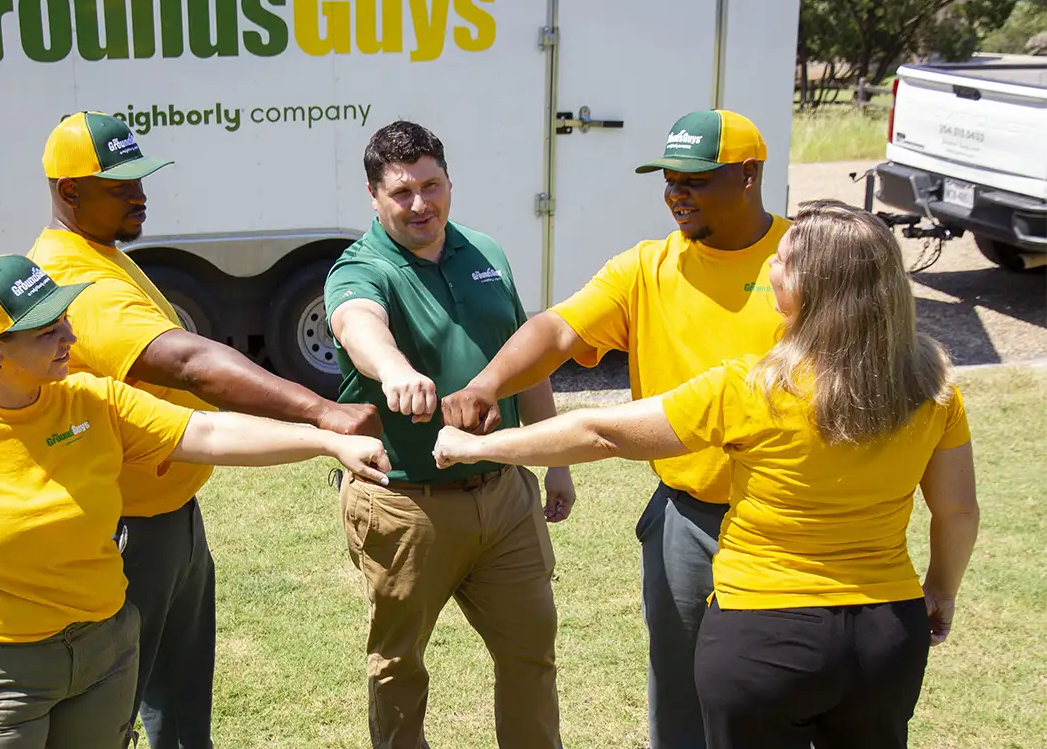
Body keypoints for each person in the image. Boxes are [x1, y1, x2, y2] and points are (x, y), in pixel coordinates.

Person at [434, 200, 980, 749]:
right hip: (888, 634)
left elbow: (600, 432)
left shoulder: (754, 388)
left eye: (783, 263)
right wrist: (941, 589)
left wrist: (477, 446)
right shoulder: (935, 390)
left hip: (765, 633)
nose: (769, 269)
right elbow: (958, 510)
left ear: (815, 288)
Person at [0, 255, 390, 749]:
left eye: (65, 318)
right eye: (48, 330)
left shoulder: (90, 402)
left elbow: (210, 434)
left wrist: (325, 439)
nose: (70, 337)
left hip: (105, 656)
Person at [25, 111, 381, 748]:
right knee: (114, 712)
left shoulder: (102, 254)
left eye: (142, 178)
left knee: (183, 713)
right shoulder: (79, 279)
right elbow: (190, 363)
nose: (140, 194)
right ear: (69, 192)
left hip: (169, 515)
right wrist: (324, 412)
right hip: (128, 531)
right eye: (119, 185)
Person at [440, 109, 789, 748]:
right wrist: (488, 384)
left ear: (747, 175)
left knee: (774, 693)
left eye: (695, 179)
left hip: (785, 519)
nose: (676, 193)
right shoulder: (646, 269)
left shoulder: (800, 265)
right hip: (685, 518)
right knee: (680, 691)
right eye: (668, 179)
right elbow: (558, 330)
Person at [323, 120, 573, 749]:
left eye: (431, 186)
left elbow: (526, 359)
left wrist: (557, 459)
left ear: (449, 183)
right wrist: (394, 368)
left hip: (504, 493)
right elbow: (358, 324)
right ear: (374, 199)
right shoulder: (361, 267)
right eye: (401, 192)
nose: (420, 205)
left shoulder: (485, 251)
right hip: (407, 504)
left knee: (531, 653)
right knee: (399, 666)